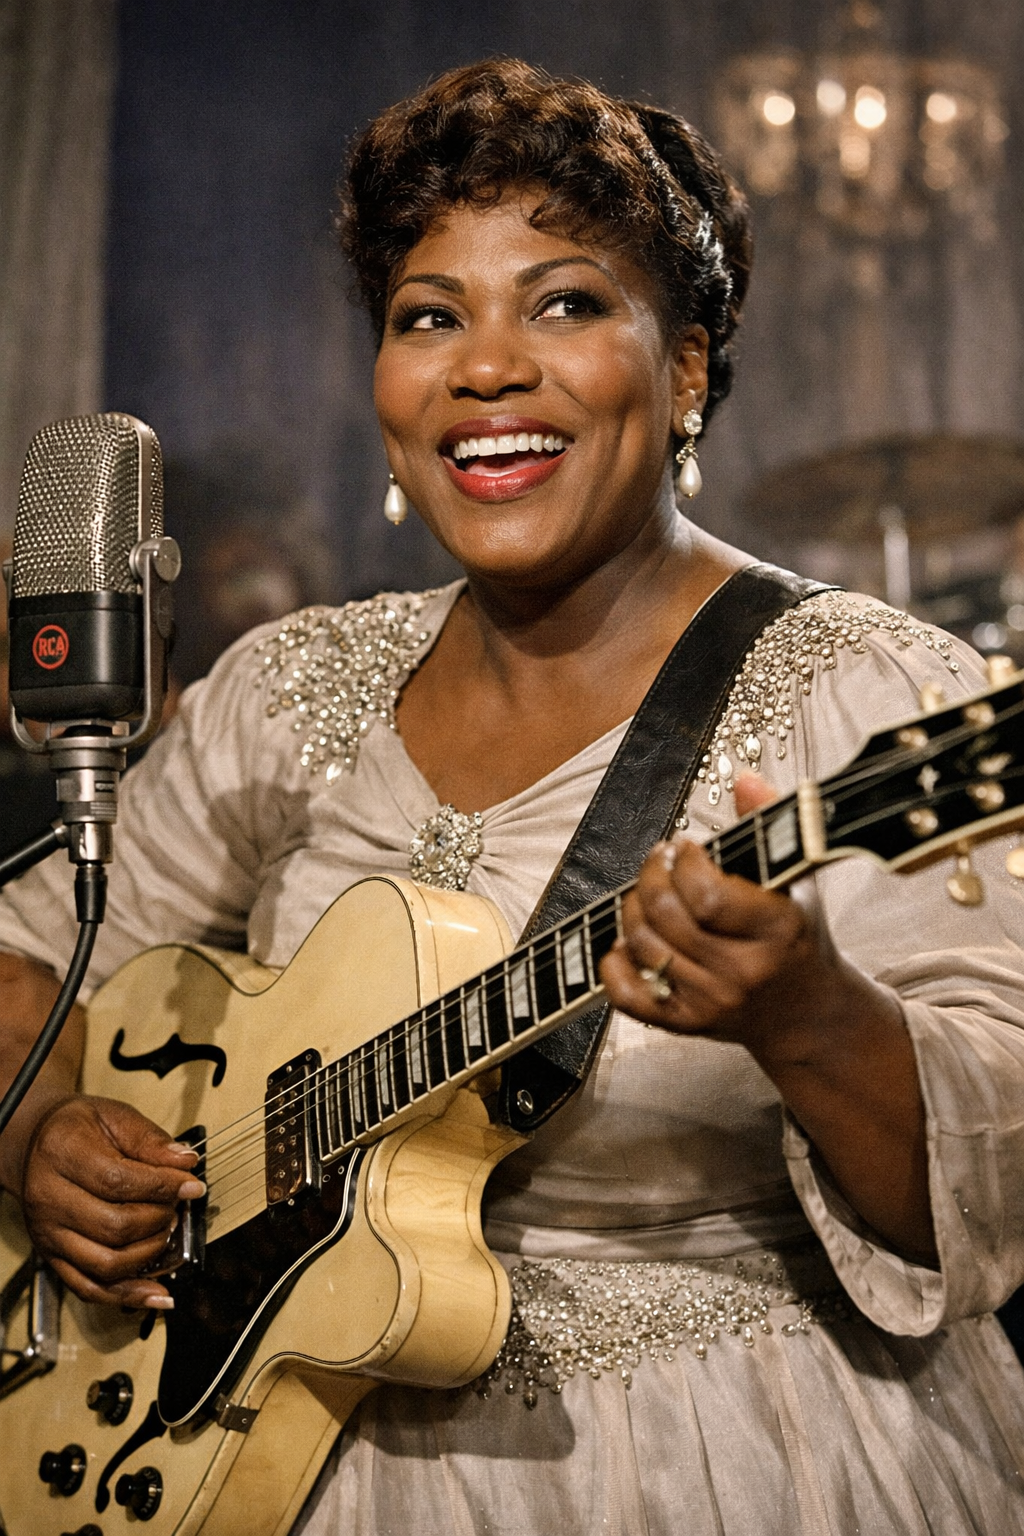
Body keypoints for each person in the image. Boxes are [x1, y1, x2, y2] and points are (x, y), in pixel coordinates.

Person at [2, 59, 1024, 1535]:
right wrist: (38, 1140)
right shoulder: (285, 692)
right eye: (429, 316)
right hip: (261, 1449)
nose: (486, 368)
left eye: (565, 304)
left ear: (685, 370)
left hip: (734, 1462)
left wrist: (806, 1015)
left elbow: (989, 1197)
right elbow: (26, 964)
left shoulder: (872, 694)